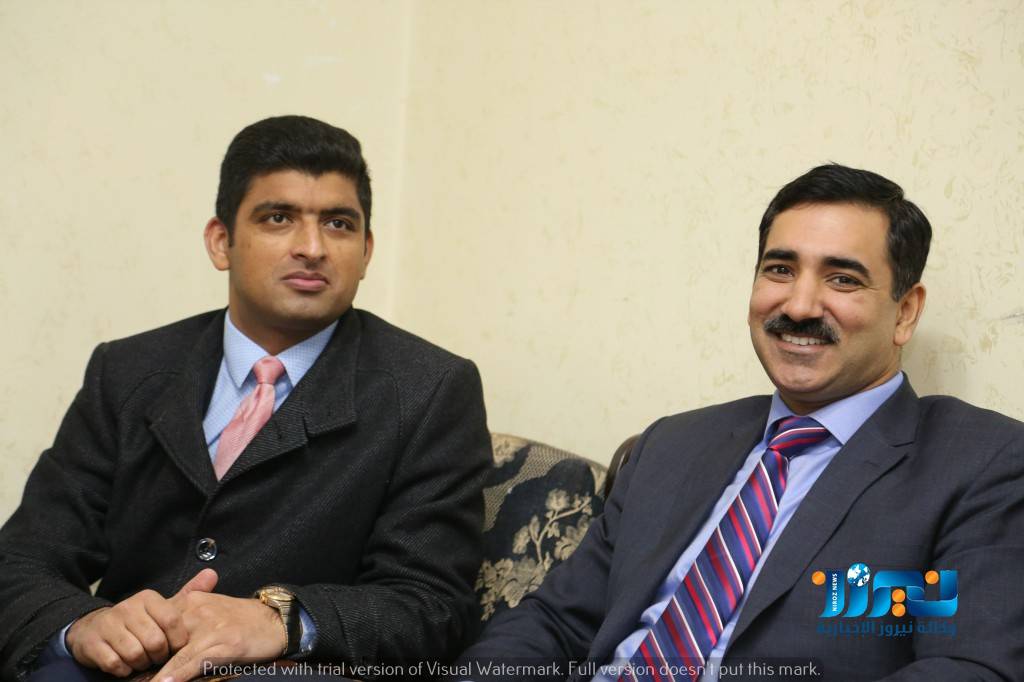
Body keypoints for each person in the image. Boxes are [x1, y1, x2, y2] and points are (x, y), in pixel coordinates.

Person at [457, 164, 1024, 681]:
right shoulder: (671, 445)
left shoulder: (980, 465)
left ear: (905, 311)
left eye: (843, 279)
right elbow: (556, 622)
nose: (799, 305)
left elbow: (969, 669)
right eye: (780, 270)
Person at [0, 116, 492, 682]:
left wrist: (285, 621)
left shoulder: (430, 388)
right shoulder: (128, 370)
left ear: (366, 250)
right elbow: (24, 560)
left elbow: (430, 605)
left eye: (338, 224)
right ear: (220, 242)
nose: (312, 248)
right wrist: (81, 626)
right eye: (278, 218)